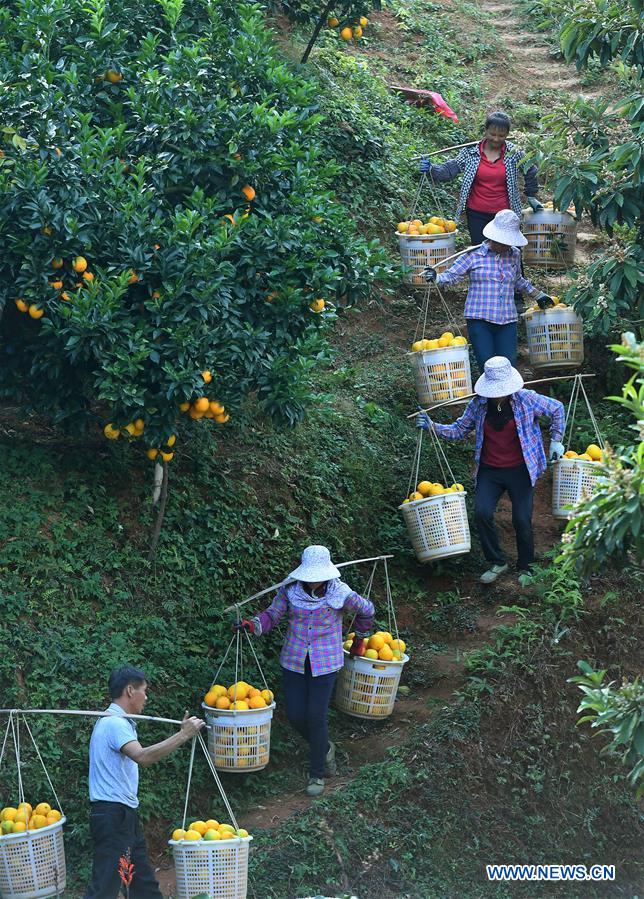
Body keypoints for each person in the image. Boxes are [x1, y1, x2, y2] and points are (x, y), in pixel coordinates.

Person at [235, 545, 374, 798]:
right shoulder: (290, 589)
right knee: (296, 714)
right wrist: (251, 625)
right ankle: (323, 749)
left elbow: (367, 609)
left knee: (316, 715)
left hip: (326, 661)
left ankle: (317, 773)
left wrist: (359, 641)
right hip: (295, 659)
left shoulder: (340, 592)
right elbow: (273, 615)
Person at [417, 356, 565, 583]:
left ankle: (526, 566)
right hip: (490, 470)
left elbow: (557, 408)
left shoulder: (526, 400)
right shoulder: (478, 404)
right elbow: (459, 430)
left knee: (522, 519)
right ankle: (497, 561)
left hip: (520, 469)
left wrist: (556, 439)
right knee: (482, 513)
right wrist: (432, 426)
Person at [84, 665, 205, 899]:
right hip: (112, 815)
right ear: (130, 690)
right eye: (144, 690)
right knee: (104, 888)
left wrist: (183, 733)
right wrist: (183, 735)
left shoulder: (119, 722)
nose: (146, 697)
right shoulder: (114, 723)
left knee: (144, 887)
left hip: (124, 815)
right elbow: (142, 756)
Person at [424, 209, 553, 371]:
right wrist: (436, 277)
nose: (506, 245)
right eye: (503, 242)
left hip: (507, 321)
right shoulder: (473, 255)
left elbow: (517, 280)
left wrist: (538, 295)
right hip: (480, 320)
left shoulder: (514, 254)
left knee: (508, 368)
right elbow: (452, 276)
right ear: (493, 237)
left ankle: (509, 397)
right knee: (487, 367)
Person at [419, 111, 543, 245]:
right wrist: (432, 169)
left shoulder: (513, 152)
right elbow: (451, 169)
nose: (496, 139)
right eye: (492, 134)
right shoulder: (471, 152)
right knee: (480, 252)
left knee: (510, 254)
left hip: (505, 215)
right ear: (485, 131)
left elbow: (530, 169)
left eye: (501, 136)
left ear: (507, 135)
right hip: (477, 213)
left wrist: (531, 195)